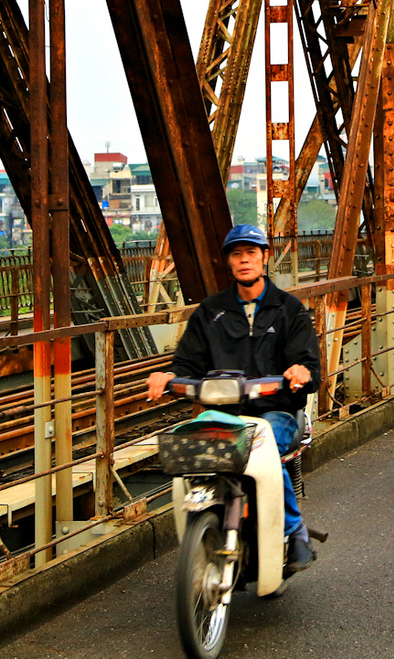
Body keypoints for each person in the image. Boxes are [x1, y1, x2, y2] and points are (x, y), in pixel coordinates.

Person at [147, 225, 322, 571]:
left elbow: (311, 368)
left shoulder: (290, 309)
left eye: (252, 253)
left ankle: (295, 529)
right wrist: (168, 375)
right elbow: (186, 362)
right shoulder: (211, 312)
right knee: (189, 443)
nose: (245, 260)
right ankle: (203, 524)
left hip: (276, 412)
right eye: (237, 254)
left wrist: (300, 371)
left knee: (265, 444)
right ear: (228, 261)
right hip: (222, 414)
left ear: (264, 258)